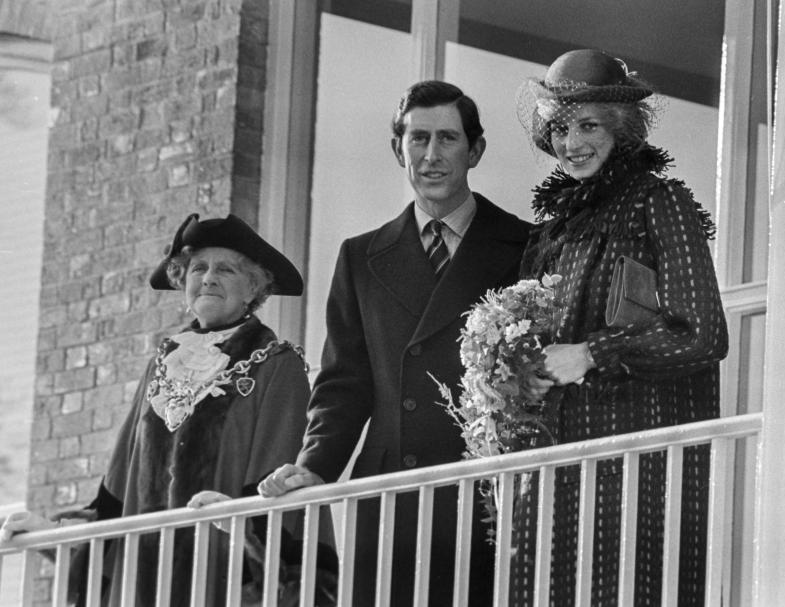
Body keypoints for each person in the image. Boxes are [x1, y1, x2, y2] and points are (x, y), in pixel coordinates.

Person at [257, 80, 531, 606]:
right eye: (418, 138)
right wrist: (315, 464)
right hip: (389, 495)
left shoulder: (525, 244)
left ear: (475, 150)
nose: (431, 155)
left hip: (485, 490)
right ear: (397, 148)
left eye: (448, 139)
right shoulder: (360, 257)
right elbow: (344, 383)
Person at [1, 214, 336, 606]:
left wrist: (240, 522)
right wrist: (51, 533)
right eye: (198, 268)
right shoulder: (162, 362)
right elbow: (117, 491)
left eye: (225, 269)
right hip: (145, 583)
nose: (208, 277)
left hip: (224, 579)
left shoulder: (277, 364)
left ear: (253, 288)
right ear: (183, 281)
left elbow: (279, 484)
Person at [513, 49, 729, 605]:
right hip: (557, 467)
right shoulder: (554, 228)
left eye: (588, 125)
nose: (571, 143)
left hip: (639, 472)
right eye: (560, 127)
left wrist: (589, 353)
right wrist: (528, 372)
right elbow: (541, 345)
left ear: (622, 129)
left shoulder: (662, 203)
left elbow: (702, 333)